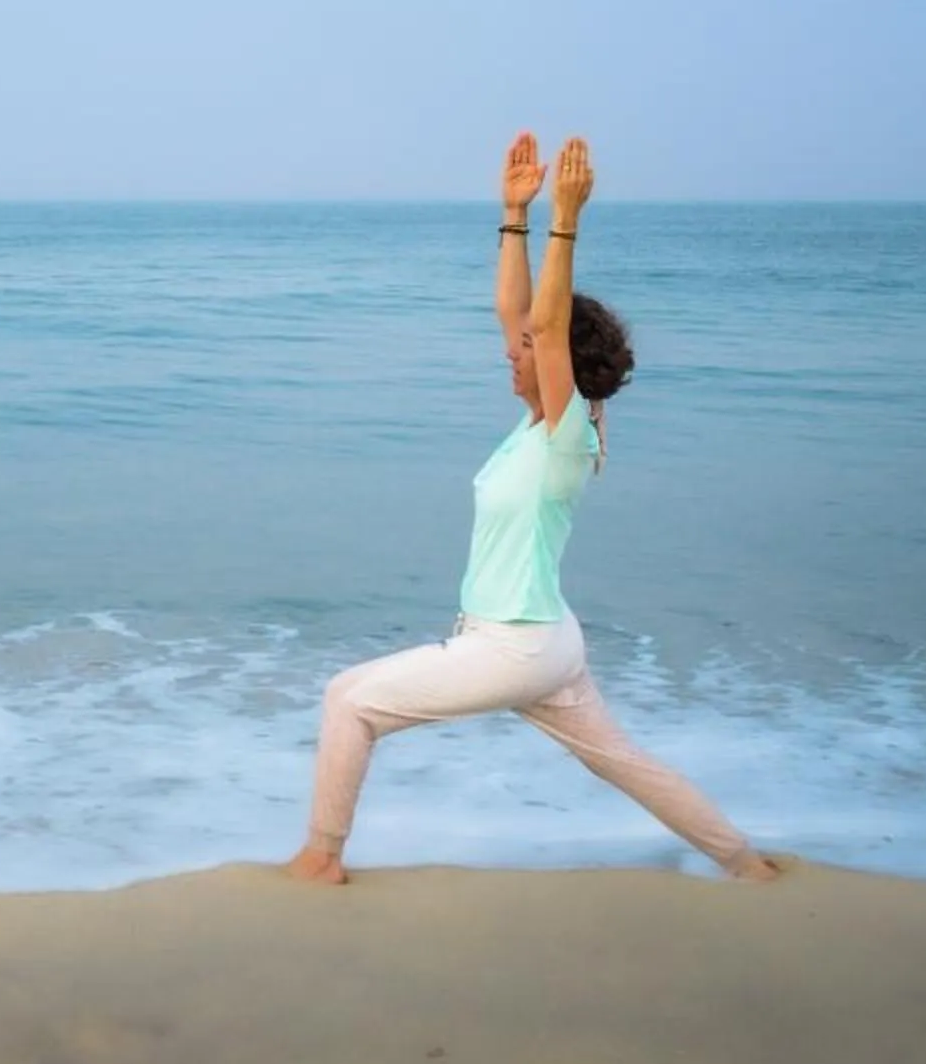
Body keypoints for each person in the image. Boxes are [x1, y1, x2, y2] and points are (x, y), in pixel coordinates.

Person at [282, 133, 781, 885]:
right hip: (545, 638)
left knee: (348, 702)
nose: (509, 352)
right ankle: (748, 865)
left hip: (512, 645)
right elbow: (522, 314)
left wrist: (567, 219)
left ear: (557, 367)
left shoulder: (566, 431)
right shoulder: (541, 426)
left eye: (526, 351)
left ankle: (320, 860)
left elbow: (542, 328)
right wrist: (514, 214)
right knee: (626, 766)